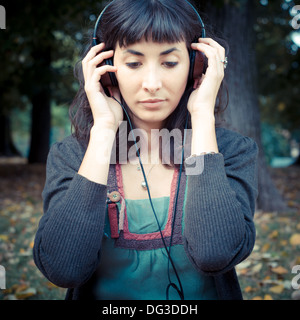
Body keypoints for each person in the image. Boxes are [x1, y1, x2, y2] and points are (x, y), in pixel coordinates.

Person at [33, 0, 258, 300]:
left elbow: (215, 253)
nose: (152, 84)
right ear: (107, 71)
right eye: (134, 63)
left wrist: (202, 116)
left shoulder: (232, 152)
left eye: (169, 62)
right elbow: (63, 269)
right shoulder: (72, 156)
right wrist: (103, 131)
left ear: (197, 67)